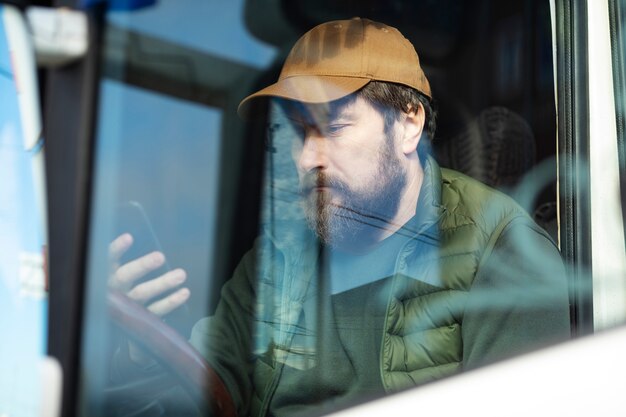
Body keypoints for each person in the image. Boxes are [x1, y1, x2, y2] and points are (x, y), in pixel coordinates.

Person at [109, 17, 570, 417]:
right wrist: (144, 348)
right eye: (298, 131)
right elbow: (210, 390)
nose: (308, 156)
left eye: (333, 125)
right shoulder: (280, 252)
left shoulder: (501, 251)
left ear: (408, 123)